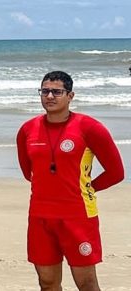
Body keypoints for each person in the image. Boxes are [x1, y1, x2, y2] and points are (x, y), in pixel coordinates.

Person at [16, 71, 125, 291]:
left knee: (86, 283)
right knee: (47, 282)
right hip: (40, 217)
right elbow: (29, 173)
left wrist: (89, 187)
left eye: (57, 91)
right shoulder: (27, 130)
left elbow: (116, 172)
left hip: (78, 216)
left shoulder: (89, 128)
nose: (49, 96)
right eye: (45, 91)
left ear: (70, 95)